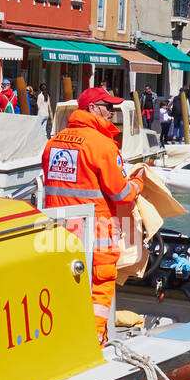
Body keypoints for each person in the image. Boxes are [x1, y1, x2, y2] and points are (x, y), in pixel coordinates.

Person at [42, 86, 144, 344]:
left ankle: (62, 339)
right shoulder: (103, 145)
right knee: (99, 291)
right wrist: (138, 183)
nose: (112, 112)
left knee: (65, 289)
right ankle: (95, 343)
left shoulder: (54, 143)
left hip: (60, 234)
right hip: (97, 234)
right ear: (92, 109)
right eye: (107, 106)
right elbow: (121, 194)